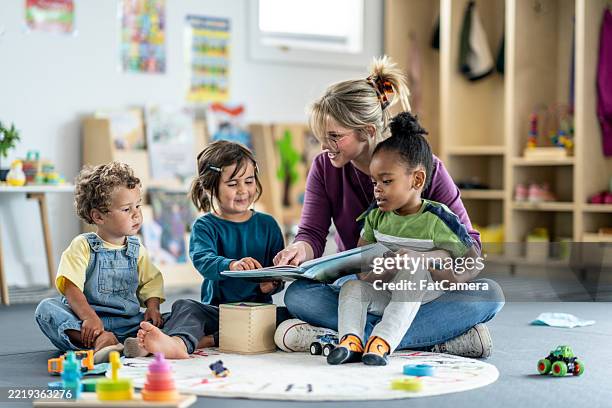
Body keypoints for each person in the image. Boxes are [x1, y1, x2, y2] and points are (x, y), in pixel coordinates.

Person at [274, 56, 504, 358]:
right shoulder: (324, 167)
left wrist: (424, 262)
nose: (324, 146)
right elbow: (312, 234)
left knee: (488, 295)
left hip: (426, 289)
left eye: (334, 137)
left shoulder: (424, 168)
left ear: (368, 131)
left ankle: (350, 337)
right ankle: (431, 340)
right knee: (299, 296)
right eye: (320, 137)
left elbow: (470, 249)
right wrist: (297, 251)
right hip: (366, 282)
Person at [328, 112, 483, 366]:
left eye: (386, 181)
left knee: (483, 292)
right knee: (350, 288)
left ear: (417, 179)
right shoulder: (375, 217)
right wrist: (383, 269)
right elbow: (363, 273)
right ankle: (351, 340)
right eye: (374, 181)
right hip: (386, 291)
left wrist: (428, 263)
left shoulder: (437, 218)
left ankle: (382, 341)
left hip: (424, 295)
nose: (377, 188)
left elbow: (473, 261)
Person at [126, 140, 285, 359]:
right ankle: (179, 343)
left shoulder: (268, 225)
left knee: (289, 314)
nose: (243, 190)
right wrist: (232, 265)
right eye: (232, 184)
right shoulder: (205, 225)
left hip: (256, 313)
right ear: (211, 186)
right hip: (217, 312)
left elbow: (277, 272)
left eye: (249, 181)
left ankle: (205, 340)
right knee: (185, 307)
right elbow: (204, 260)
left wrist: (272, 285)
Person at [35, 162, 164, 363]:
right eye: (126, 209)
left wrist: (153, 307)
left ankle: (136, 343)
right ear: (98, 216)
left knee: (181, 312)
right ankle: (103, 341)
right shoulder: (83, 245)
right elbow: (70, 286)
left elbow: (151, 282)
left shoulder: (137, 249)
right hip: (89, 325)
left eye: (137, 205)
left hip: (129, 324)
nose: (136, 214)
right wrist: (88, 317)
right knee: (46, 309)